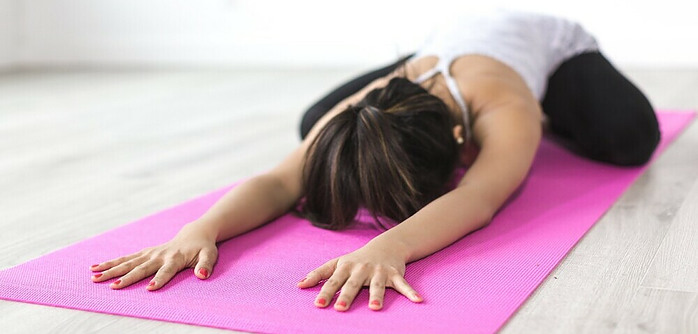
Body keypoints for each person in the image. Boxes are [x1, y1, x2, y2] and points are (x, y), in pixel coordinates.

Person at [89, 9, 660, 312]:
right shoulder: (374, 99)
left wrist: (389, 246)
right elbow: (279, 179)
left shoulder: (507, 108)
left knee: (632, 138)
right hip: (430, 57)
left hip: (552, 51)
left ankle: (560, 112)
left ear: (465, 145)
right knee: (319, 124)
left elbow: (479, 198)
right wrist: (200, 228)